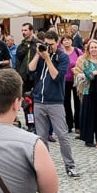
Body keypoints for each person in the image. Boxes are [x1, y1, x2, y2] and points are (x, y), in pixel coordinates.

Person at [29, 30, 80, 177]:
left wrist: (48, 59)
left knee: (62, 135)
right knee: (41, 136)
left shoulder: (63, 57)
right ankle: (44, 167)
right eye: (46, 44)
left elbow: (56, 77)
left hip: (55, 101)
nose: (48, 47)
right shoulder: (41, 55)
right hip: (39, 100)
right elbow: (30, 69)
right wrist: (38, 54)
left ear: (57, 43)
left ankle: (70, 166)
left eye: (51, 44)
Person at [73, 39, 97, 147]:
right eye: (92, 47)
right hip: (88, 91)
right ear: (88, 49)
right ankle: (89, 138)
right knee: (89, 115)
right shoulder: (85, 61)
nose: (94, 49)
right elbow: (89, 75)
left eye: (95, 47)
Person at [59, 35, 81, 132]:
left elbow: (83, 62)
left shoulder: (77, 51)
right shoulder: (60, 52)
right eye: (64, 40)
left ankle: (78, 125)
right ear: (62, 42)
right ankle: (68, 124)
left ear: (72, 41)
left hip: (76, 79)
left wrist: (77, 69)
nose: (66, 41)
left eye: (68, 40)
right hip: (65, 80)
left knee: (78, 102)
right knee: (66, 102)